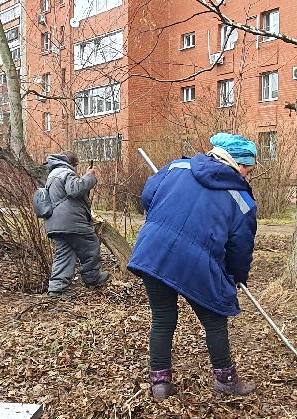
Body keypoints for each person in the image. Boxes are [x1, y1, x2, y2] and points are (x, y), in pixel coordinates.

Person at [127, 133, 259, 399]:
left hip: (155, 252)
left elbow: (148, 197)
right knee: (214, 320)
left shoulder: (176, 167)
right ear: (235, 163)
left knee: (163, 318)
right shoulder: (241, 200)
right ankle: (226, 381)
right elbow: (240, 247)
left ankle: (160, 384)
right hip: (197, 264)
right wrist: (236, 276)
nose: (248, 175)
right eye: (247, 168)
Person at [44, 151, 110, 296]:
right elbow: (75, 190)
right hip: (71, 221)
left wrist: (84, 177)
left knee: (64, 254)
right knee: (91, 244)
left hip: (55, 223)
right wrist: (90, 176)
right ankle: (92, 277)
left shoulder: (53, 174)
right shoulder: (66, 172)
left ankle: (56, 289)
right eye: (76, 165)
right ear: (72, 164)